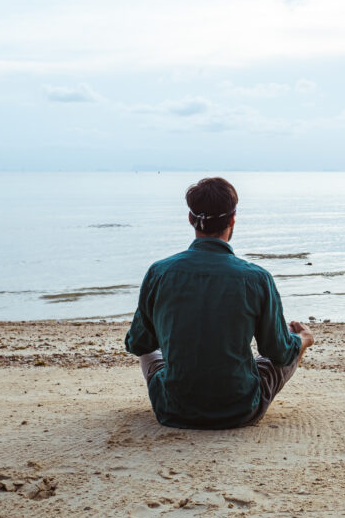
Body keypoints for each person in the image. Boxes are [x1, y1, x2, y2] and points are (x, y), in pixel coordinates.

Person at [124, 177, 315, 429]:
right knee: (290, 341)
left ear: (191, 219)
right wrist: (302, 340)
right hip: (241, 408)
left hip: (172, 408)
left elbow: (137, 343)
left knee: (149, 347)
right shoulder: (256, 278)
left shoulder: (159, 272)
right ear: (232, 219)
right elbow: (277, 352)